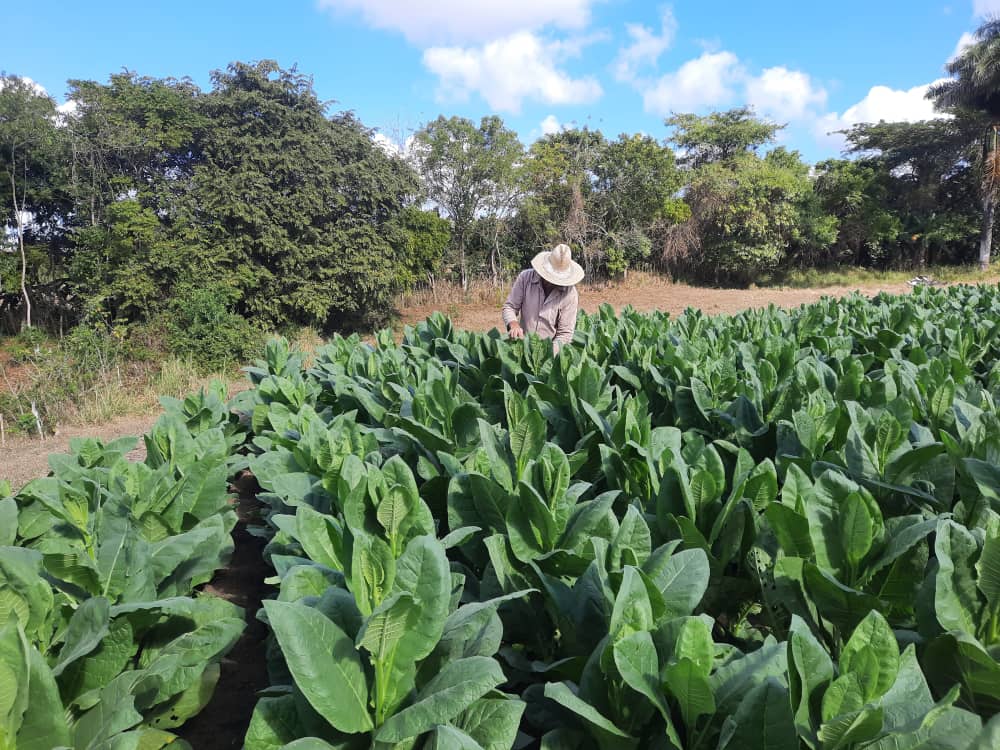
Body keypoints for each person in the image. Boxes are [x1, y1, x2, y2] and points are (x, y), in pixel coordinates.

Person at [501, 243, 584, 353]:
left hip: (549, 354)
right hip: (521, 347)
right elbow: (510, 307)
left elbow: (565, 334)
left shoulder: (570, 294)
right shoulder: (525, 278)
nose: (554, 281)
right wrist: (513, 324)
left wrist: (546, 356)